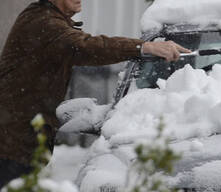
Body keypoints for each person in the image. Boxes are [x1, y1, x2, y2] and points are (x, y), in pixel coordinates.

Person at [0, 0, 191, 188]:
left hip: (16, 141)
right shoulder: (44, 22)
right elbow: (86, 46)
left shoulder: (47, 20)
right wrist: (143, 47)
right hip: (10, 143)